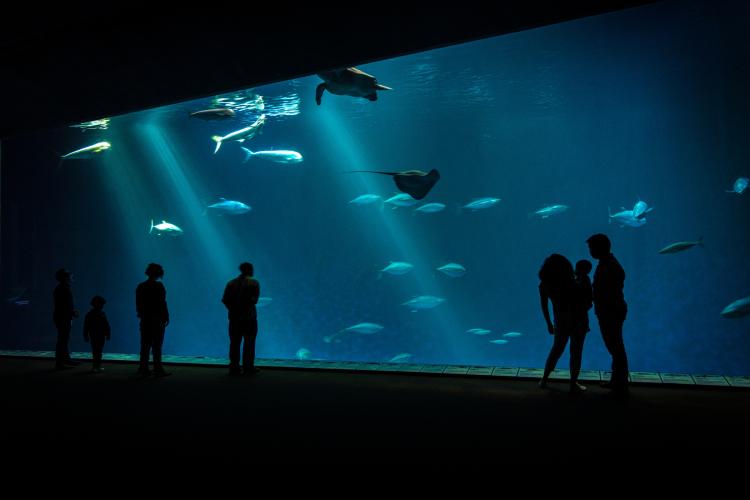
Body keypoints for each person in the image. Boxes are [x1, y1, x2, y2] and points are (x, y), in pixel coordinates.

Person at [537, 254, 589, 394]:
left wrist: (548, 323)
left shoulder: (544, 284)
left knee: (556, 350)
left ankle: (544, 379)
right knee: (576, 352)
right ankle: (573, 383)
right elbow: (586, 303)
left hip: (560, 321)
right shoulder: (573, 283)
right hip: (579, 321)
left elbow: (544, 305)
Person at [586, 233, 629, 395]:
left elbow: (607, 291)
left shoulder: (610, 266)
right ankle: (617, 381)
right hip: (609, 311)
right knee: (615, 347)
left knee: (616, 347)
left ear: (599, 248)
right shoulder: (606, 263)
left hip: (611, 312)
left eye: (591, 248)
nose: (590, 251)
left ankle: (620, 384)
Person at [222, 262, 261, 376]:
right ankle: (248, 367)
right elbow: (254, 300)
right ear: (249, 270)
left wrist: (233, 309)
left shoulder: (231, 283)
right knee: (249, 343)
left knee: (234, 343)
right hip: (249, 318)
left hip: (234, 318)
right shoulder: (254, 283)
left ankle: (234, 367)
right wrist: (245, 308)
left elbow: (224, 299)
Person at [135, 263, 170, 377]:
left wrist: (141, 314)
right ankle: (158, 368)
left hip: (145, 319)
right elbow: (162, 303)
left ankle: (143, 368)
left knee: (145, 344)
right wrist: (166, 316)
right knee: (157, 345)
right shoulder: (159, 286)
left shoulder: (141, 286)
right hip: (157, 319)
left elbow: (138, 304)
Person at [53, 268, 80, 370]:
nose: (72, 277)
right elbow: (64, 305)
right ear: (65, 277)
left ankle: (65, 359)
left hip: (63, 317)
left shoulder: (62, 288)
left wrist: (71, 312)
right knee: (62, 340)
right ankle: (59, 363)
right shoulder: (63, 288)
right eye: (70, 275)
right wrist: (72, 312)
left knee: (64, 339)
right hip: (63, 317)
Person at [83, 295, 111, 372]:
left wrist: (108, 334)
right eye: (101, 304)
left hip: (100, 335)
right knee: (96, 351)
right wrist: (85, 335)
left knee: (99, 351)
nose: (102, 306)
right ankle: (95, 367)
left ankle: (97, 366)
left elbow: (106, 325)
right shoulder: (90, 315)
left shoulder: (101, 313)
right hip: (94, 335)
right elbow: (86, 326)